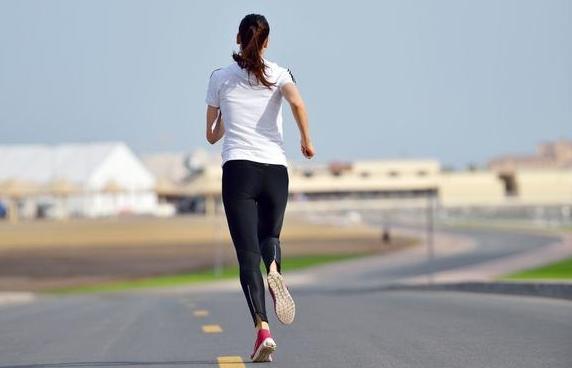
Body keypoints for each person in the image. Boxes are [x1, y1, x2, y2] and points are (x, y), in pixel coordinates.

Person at [204, 13, 314, 363]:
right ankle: (276, 271)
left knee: (247, 254)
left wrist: (227, 115)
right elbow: (297, 102)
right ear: (266, 42)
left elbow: (211, 135)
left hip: (239, 170)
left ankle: (262, 329)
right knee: (270, 238)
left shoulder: (220, 78)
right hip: (276, 171)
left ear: (237, 37)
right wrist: (306, 141)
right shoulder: (281, 74)